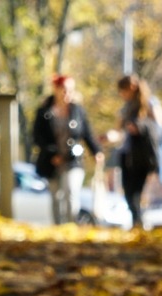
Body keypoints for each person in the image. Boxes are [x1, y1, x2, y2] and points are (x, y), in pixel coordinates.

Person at [32, 75, 102, 225]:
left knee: (71, 191)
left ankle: (71, 225)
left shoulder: (77, 111)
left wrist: (96, 151)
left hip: (73, 160)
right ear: (56, 90)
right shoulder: (44, 111)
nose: (67, 93)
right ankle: (58, 227)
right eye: (64, 89)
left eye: (70, 90)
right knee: (55, 196)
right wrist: (52, 154)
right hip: (51, 162)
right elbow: (38, 136)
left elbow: (87, 133)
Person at [116, 74, 162, 229]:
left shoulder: (150, 104)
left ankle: (138, 223)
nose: (122, 95)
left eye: (123, 91)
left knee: (136, 191)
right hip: (126, 154)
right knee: (128, 191)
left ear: (131, 88)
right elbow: (118, 130)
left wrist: (140, 127)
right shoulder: (125, 108)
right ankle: (136, 222)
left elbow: (160, 128)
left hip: (142, 155)